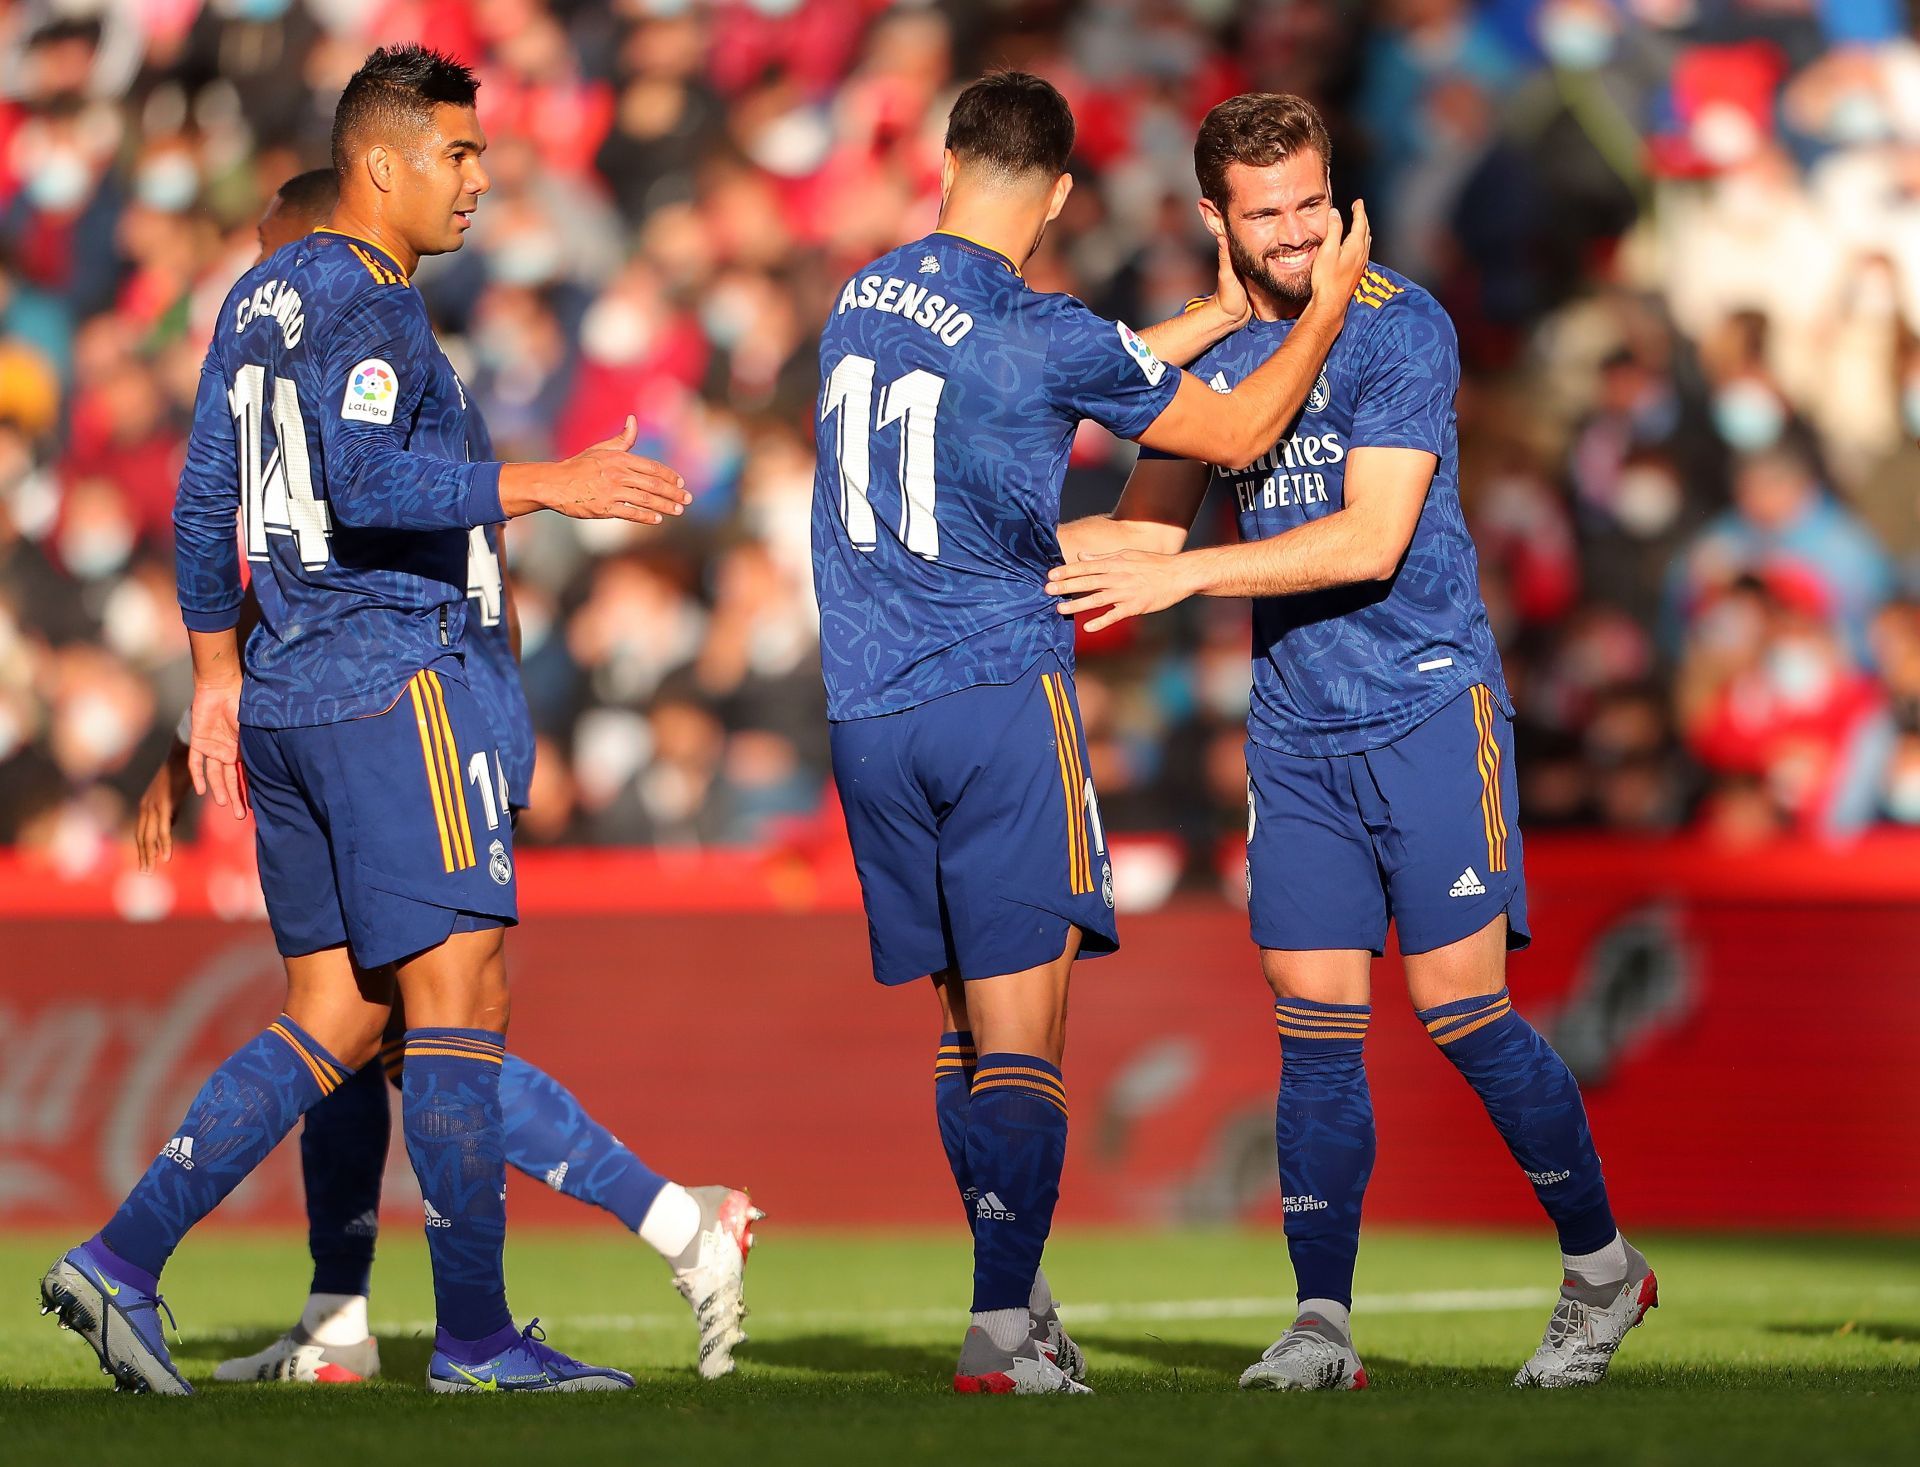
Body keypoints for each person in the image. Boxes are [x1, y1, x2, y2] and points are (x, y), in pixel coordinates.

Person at [41, 45, 690, 1396]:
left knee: (335, 1017)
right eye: (457, 154)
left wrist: (216, 676)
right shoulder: (373, 299)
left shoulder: (256, 295)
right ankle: (474, 1343)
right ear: (381, 163)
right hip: (389, 679)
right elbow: (365, 474)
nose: (479, 178)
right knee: (460, 1005)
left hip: (282, 694)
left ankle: (118, 1261)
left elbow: (205, 493)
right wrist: (542, 481)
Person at [1048, 91, 1655, 1392]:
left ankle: (1603, 1268)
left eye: (1312, 203)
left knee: (1462, 1009)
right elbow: (1144, 535)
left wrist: (1188, 579)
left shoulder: (1399, 326)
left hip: (1429, 702)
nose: (1297, 232)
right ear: (1215, 218)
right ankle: (1321, 1323)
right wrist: (965, 561)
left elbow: (1370, 540)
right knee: (1313, 1023)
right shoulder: (1210, 365)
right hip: (1299, 730)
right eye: (1266, 212)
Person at [812, 70, 1369, 1396]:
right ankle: (1003, 1332)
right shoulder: (1038, 325)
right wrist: (1320, 308)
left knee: (959, 1035)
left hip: (865, 712)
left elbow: (1042, 374)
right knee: (1024, 1038)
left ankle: (1018, 1299)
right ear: (1062, 195)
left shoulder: (859, 299)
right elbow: (1232, 427)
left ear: (947, 162)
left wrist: (1203, 319)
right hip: (993, 692)